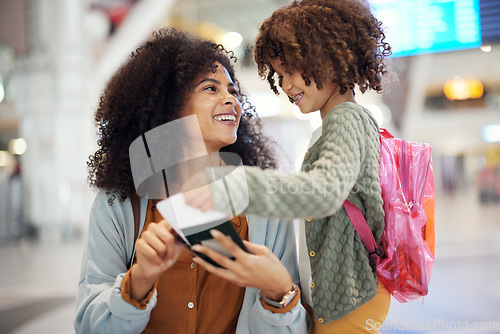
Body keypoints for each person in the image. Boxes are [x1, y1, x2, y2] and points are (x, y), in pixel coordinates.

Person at [75, 28, 308, 334]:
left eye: (232, 91)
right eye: (211, 89)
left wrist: (280, 293)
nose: (231, 101)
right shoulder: (120, 204)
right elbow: (89, 326)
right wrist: (139, 280)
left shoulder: (263, 205)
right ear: (170, 107)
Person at [184, 1, 393, 332]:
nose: (286, 84)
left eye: (292, 70)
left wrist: (240, 186)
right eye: (280, 75)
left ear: (328, 57)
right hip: (333, 300)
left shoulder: (348, 118)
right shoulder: (329, 124)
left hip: (350, 303)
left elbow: (324, 192)